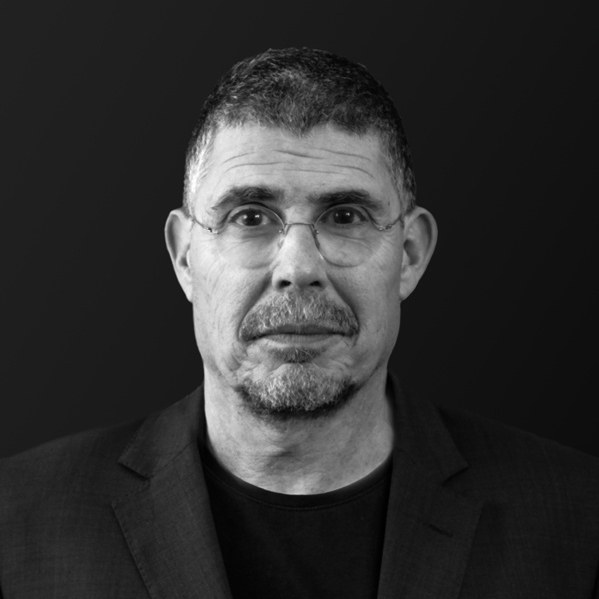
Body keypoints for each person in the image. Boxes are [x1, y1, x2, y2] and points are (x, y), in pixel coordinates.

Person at [1, 47, 598, 599]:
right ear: (185, 257)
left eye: (346, 216)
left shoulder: (579, 523)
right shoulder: (18, 521)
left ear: (410, 255)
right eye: (250, 216)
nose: (298, 268)